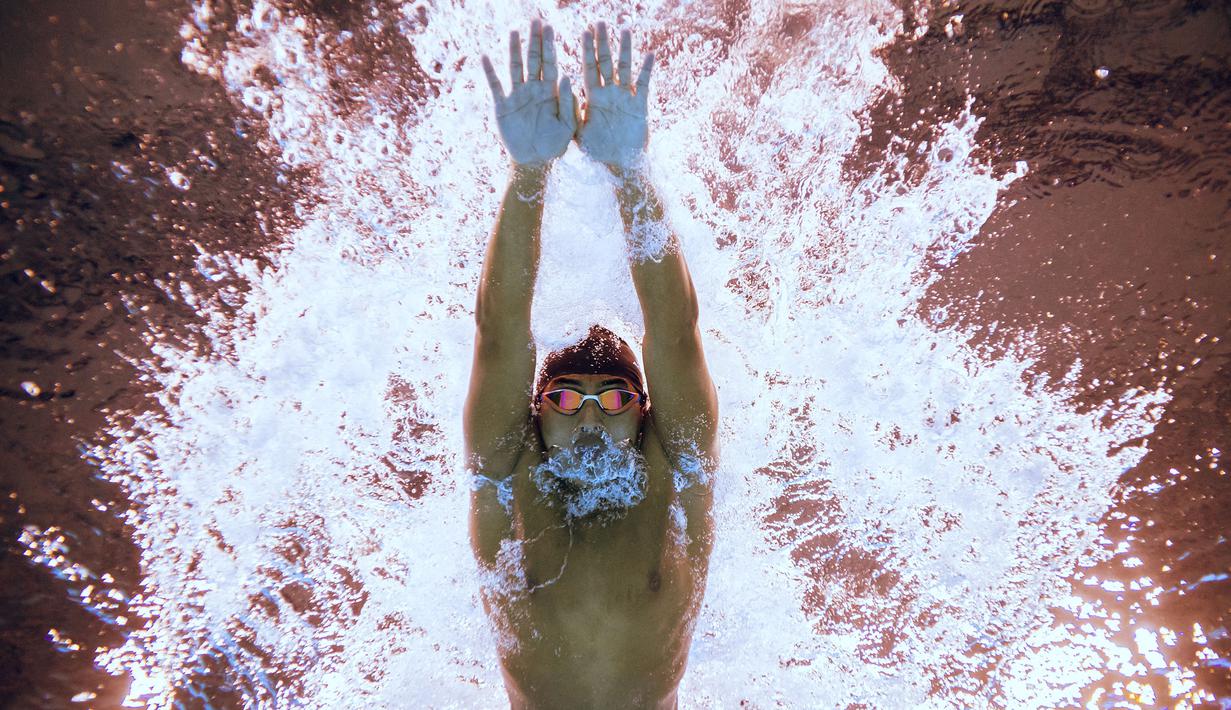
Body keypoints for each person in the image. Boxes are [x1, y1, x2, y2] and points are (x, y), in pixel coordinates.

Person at [466, 18, 720, 709]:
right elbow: (498, 336)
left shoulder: (679, 475)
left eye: (610, 400)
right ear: (535, 413)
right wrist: (528, 174)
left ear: (642, 412)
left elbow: (675, 335)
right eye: (563, 399)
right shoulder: (504, 479)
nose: (586, 419)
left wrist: (630, 173)